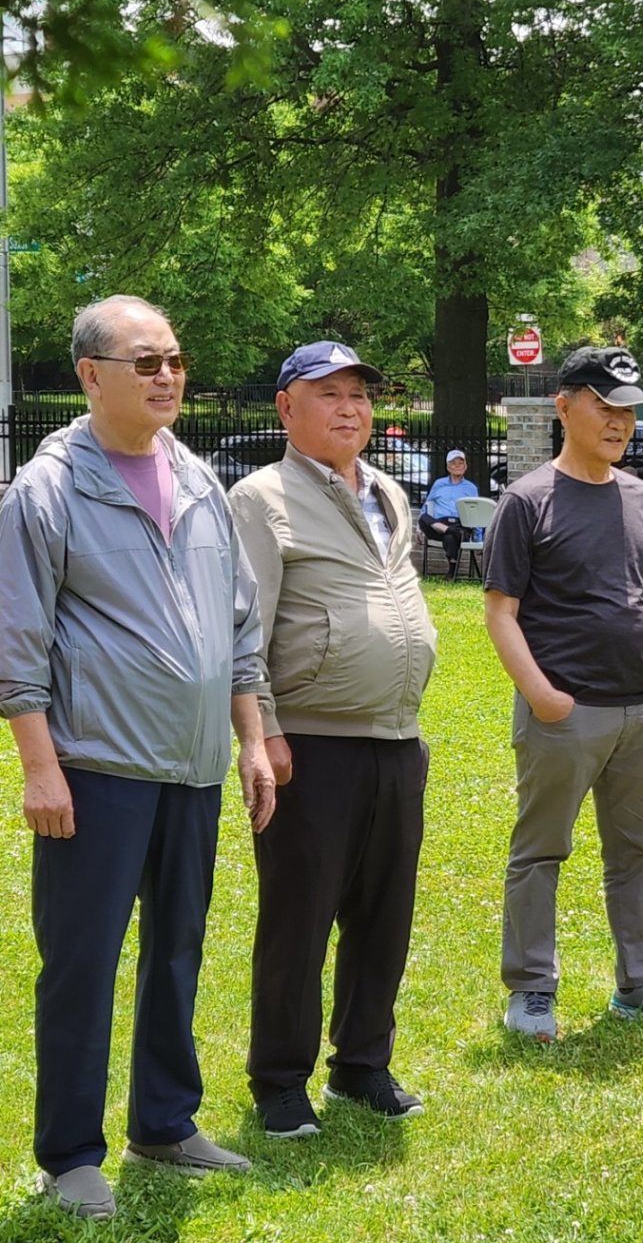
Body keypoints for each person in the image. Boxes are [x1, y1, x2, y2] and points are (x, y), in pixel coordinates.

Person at [0, 296, 275, 1219]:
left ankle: (164, 1122)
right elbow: (16, 641)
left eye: (176, 360)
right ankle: (70, 1155)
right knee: (82, 961)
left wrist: (250, 738)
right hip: (97, 769)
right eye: (146, 361)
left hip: (192, 766)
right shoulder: (45, 490)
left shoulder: (197, 477)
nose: (168, 376)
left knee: (178, 948)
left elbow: (238, 622)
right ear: (91, 375)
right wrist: (41, 767)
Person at [229, 340, 437, 1139]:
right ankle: (280, 1080)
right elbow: (244, 629)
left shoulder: (387, 491)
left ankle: (362, 1064)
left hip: (397, 738)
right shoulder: (261, 498)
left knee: (384, 915)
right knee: (299, 917)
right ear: (287, 408)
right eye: (330, 394)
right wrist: (265, 731)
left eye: (360, 394)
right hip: (309, 746)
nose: (351, 408)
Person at [483, 345, 643, 1040]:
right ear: (564, 406)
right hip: (566, 714)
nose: (619, 422)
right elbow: (500, 613)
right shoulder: (527, 501)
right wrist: (544, 696)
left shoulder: (642, 499)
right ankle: (531, 991)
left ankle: (641, 984)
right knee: (540, 851)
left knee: (637, 852)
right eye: (605, 406)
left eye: (628, 412)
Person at [419, 448, 479, 578]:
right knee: (423, 517)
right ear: (448, 467)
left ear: (465, 467)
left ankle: (451, 572)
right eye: (453, 463)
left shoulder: (471, 488)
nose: (457, 466)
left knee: (450, 537)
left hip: (461, 524)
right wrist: (419, 529)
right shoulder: (439, 484)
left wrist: (478, 538)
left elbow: (476, 512)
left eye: (460, 463)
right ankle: (448, 530)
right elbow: (426, 506)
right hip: (439, 525)